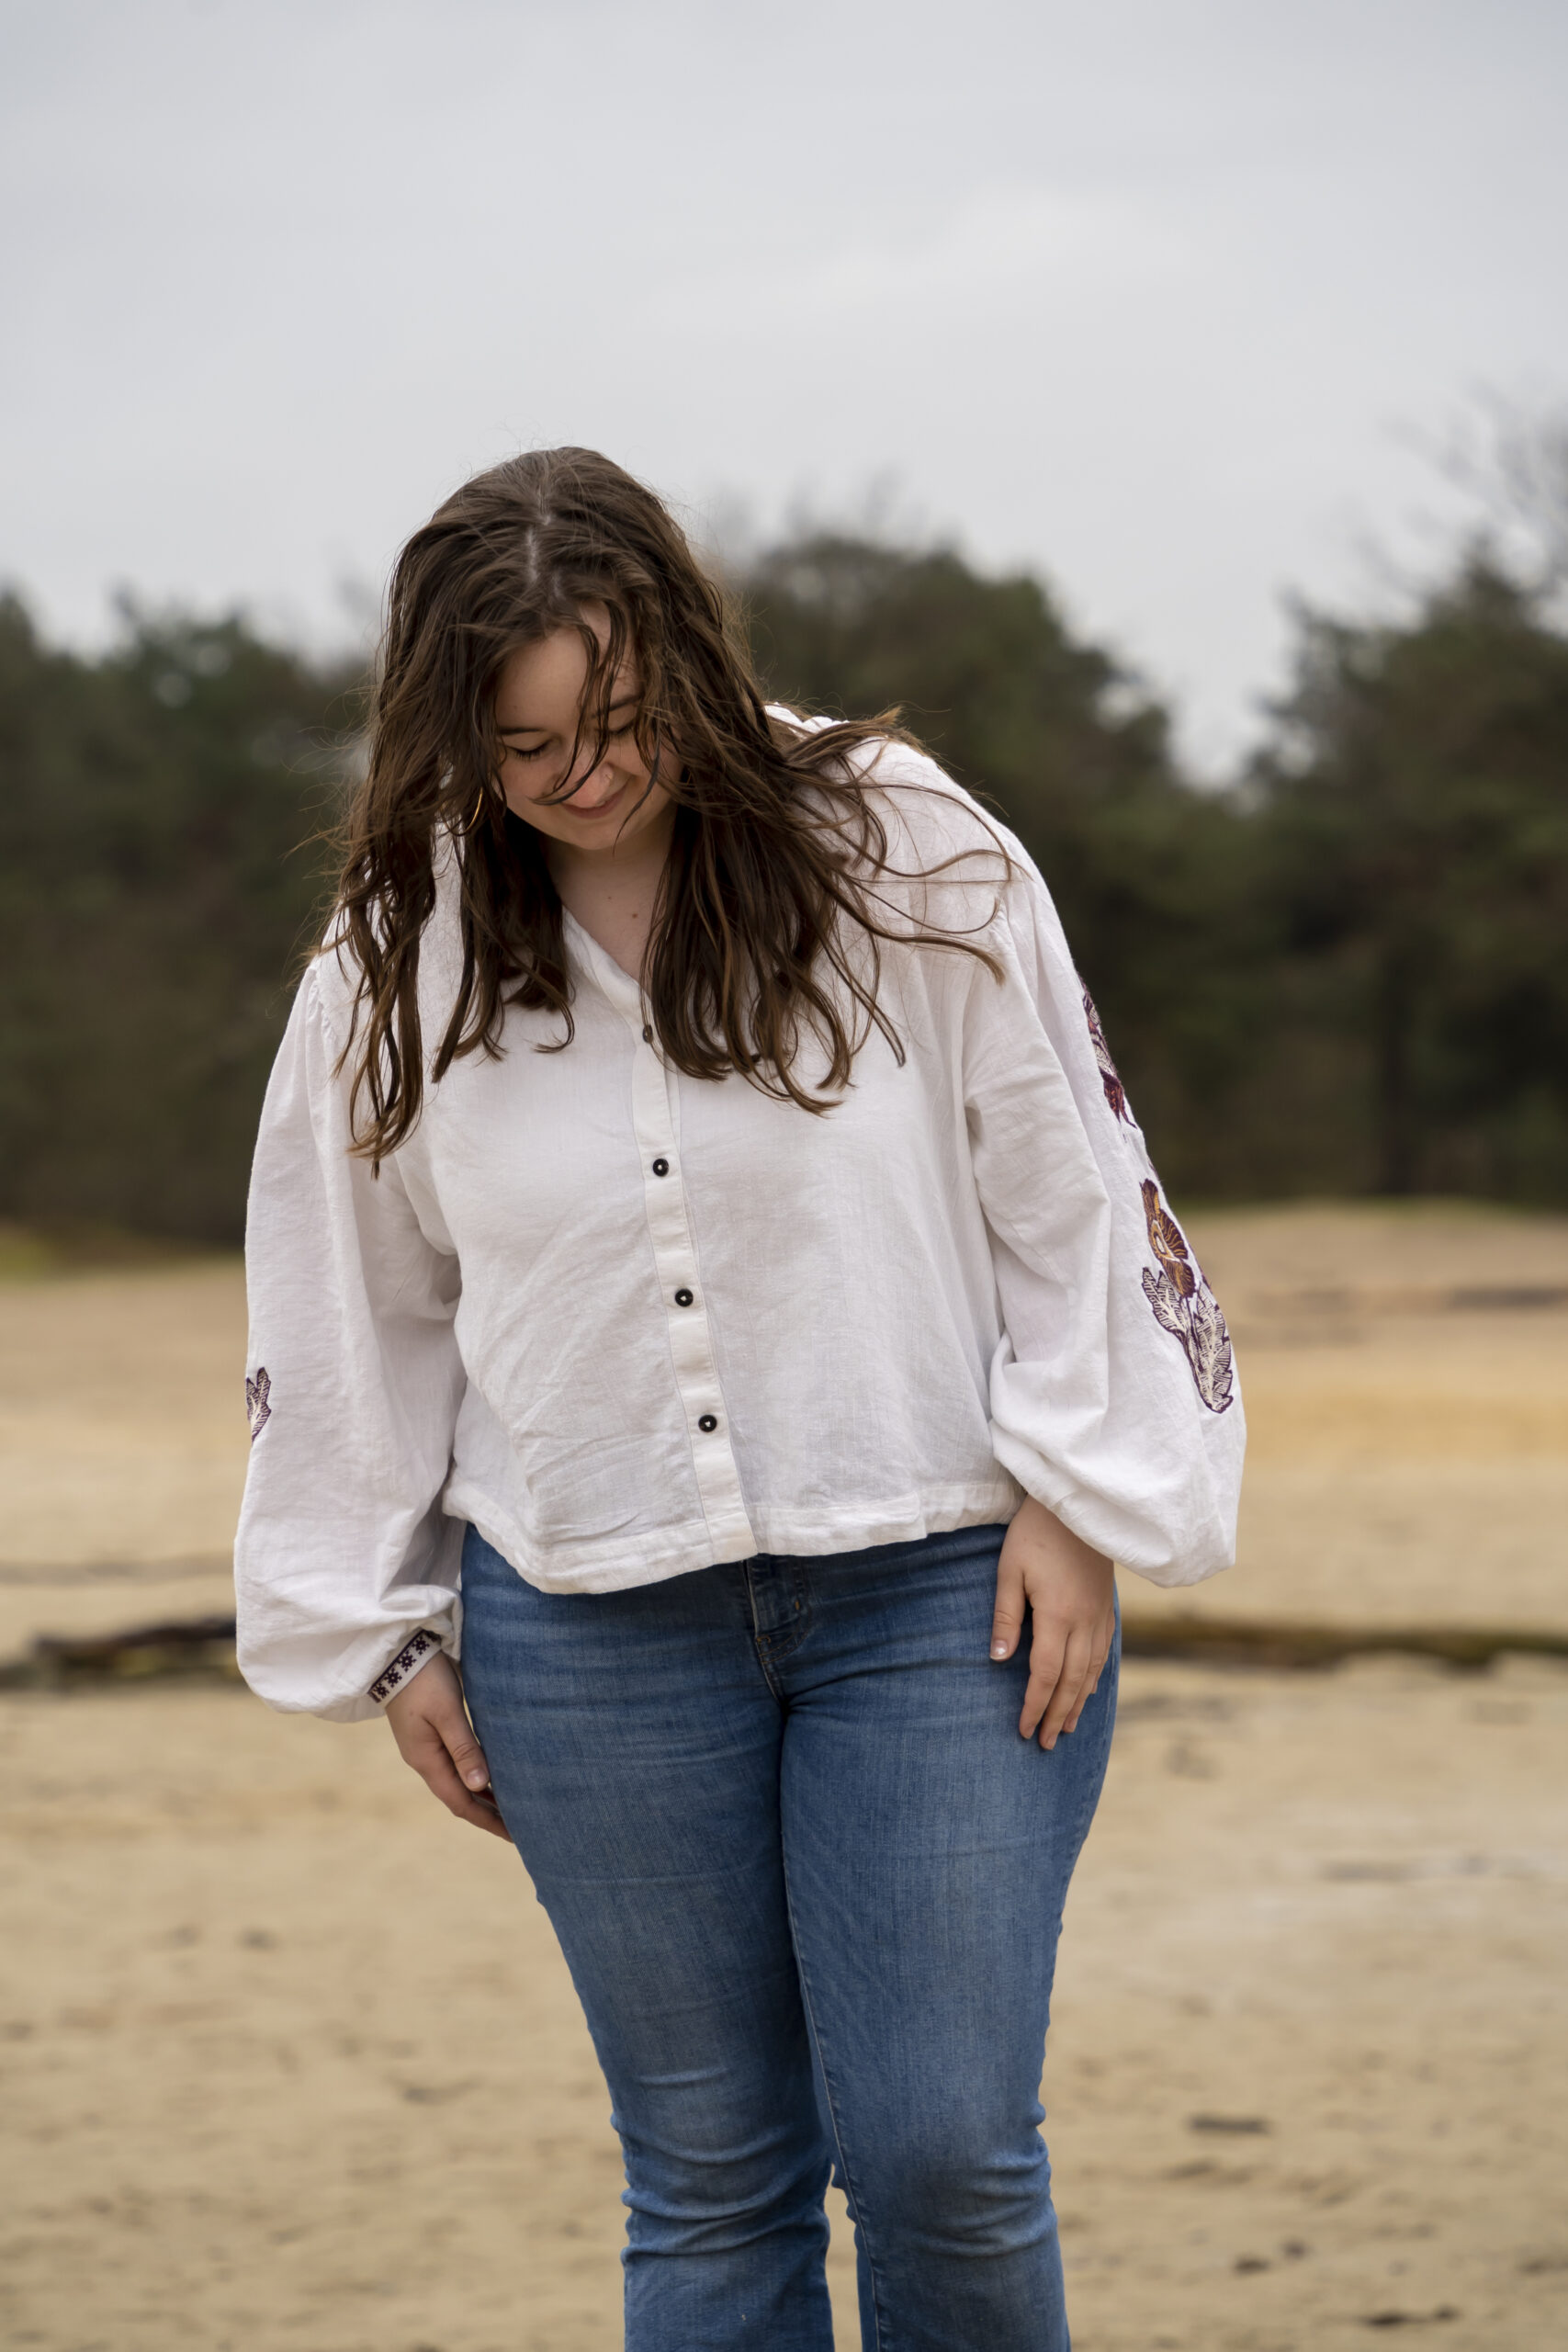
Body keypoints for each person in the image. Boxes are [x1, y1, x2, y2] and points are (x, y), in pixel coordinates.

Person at [235, 446, 1244, 2352]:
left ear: (690, 655)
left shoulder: (900, 845)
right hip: (587, 1624)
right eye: (525, 747)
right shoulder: (396, 953)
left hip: (939, 1585)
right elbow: (354, 1301)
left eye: (617, 719)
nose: (586, 775)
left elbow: (1065, 1174)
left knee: (940, 2147)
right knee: (708, 2179)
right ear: (453, 734)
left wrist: (1080, 1492)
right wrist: (383, 1633)